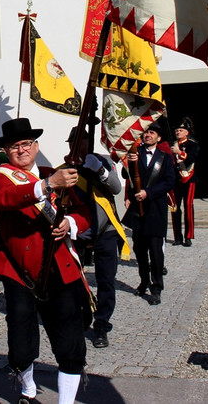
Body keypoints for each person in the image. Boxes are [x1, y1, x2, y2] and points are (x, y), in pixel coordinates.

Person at [0, 117, 90, 404]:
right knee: (21, 336)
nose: (22, 150)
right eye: (15, 146)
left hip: (58, 267)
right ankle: (29, 391)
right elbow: (5, 200)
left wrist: (69, 222)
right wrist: (47, 185)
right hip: (21, 270)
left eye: (27, 143)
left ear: (36, 145)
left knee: (69, 337)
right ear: (6, 150)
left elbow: (84, 212)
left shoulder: (54, 174)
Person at [69, 134, 126, 350]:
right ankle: (81, 316)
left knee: (106, 280)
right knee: (75, 279)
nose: (77, 146)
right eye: (73, 142)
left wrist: (100, 171)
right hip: (80, 233)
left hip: (106, 230)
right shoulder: (66, 168)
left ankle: (102, 324)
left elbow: (116, 188)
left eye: (80, 141)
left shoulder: (102, 161)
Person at [122, 125, 175, 305]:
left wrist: (149, 193)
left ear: (158, 138)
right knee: (140, 250)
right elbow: (125, 175)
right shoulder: (135, 153)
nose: (148, 135)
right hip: (138, 210)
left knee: (155, 251)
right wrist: (130, 162)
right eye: (146, 132)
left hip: (155, 209)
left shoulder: (166, 158)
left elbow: (169, 181)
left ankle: (157, 287)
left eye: (152, 133)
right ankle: (144, 281)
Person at [170, 117, 200, 247]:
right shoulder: (172, 144)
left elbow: (191, 158)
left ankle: (188, 236)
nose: (178, 132)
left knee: (188, 206)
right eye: (177, 130)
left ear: (186, 132)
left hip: (188, 178)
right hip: (176, 180)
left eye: (181, 130)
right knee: (175, 208)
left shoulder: (192, 144)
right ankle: (177, 237)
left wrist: (179, 153)